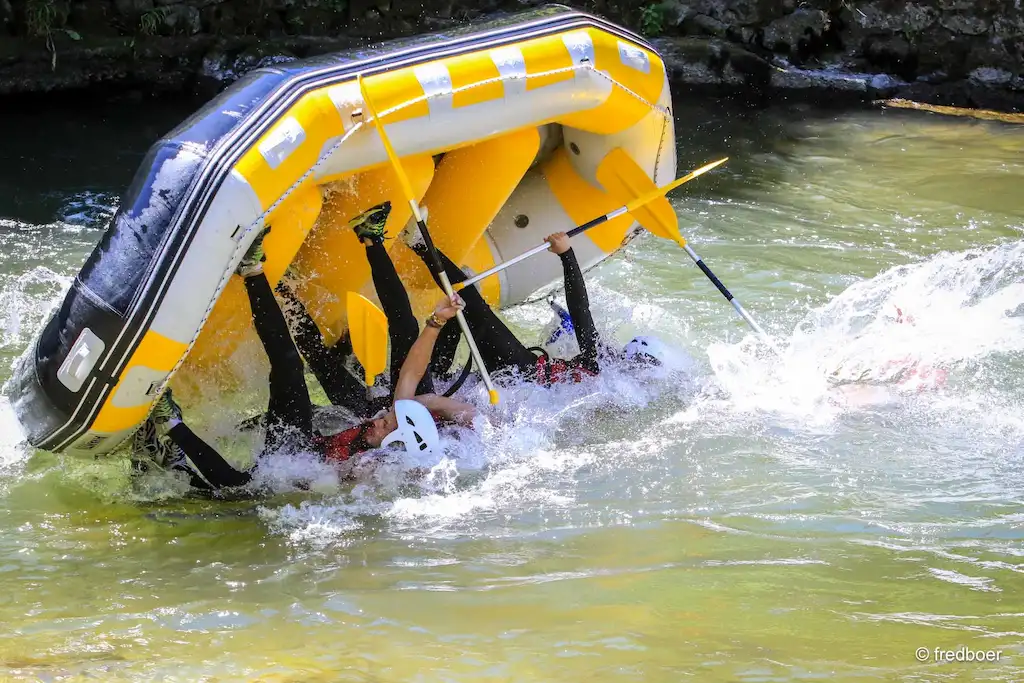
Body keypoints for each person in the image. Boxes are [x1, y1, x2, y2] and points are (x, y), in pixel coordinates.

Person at [132, 223, 475, 491]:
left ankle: (169, 424)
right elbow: (413, 371)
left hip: (292, 473)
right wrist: (437, 321)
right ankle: (253, 270)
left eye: (385, 425)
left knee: (241, 489)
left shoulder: (377, 475)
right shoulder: (400, 420)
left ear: (395, 446)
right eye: (387, 417)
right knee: (289, 367)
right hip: (298, 443)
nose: (377, 419)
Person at [400, 220, 672, 386]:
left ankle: (417, 241)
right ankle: (433, 374)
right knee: (466, 312)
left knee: (472, 305)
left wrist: (567, 255)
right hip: (521, 383)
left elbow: (580, 312)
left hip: (520, 372)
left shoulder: (600, 365)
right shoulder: (613, 384)